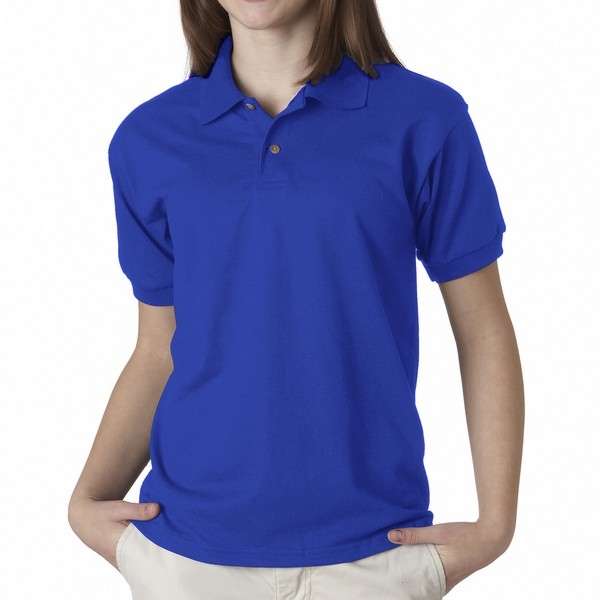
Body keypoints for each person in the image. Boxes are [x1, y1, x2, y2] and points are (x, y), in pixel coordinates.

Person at [69, 1, 524, 598]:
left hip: (375, 556)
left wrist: (496, 525)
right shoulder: (149, 139)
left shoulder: (424, 118)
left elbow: (483, 329)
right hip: (188, 558)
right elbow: (159, 348)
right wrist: (88, 499)